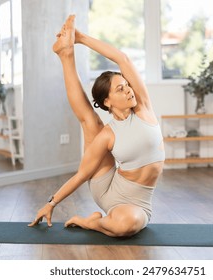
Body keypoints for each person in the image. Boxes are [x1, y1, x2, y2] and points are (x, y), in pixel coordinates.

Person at [28, 15, 165, 237]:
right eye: (120, 89)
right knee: (90, 122)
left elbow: (122, 59)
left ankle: (93, 222)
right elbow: (83, 174)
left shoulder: (143, 108)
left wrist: (80, 37)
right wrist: (51, 203)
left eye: (127, 85)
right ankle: (66, 55)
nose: (129, 90)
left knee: (128, 223)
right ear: (107, 102)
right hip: (107, 189)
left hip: (138, 203)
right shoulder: (108, 134)